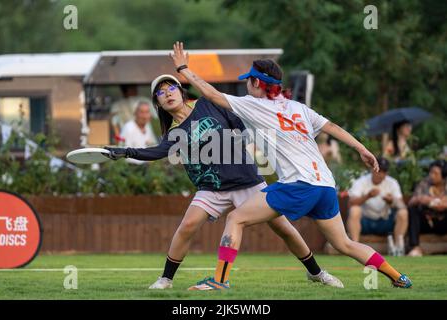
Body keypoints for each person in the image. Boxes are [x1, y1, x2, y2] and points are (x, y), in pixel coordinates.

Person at [168, 42, 412, 290]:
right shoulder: (298, 108)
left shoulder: (254, 105)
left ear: (258, 83)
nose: (246, 83)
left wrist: (183, 69)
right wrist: (362, 149)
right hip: (325, 186)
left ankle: (219, 281)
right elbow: (334, 129)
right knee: (345, 244)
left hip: (298, 184)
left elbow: (211, 94)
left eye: (249, 80)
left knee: (236, 218)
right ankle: (397, 276)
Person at [104, 74, 344, 289]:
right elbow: (156, 152)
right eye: (161, 93)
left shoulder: (207, 103)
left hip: (247, 181)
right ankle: (166, 279)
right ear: (158, 103)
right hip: (212, 190)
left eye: (171, 88)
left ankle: (317, 273)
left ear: (181, 91)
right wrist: (124, 152)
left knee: (284, 229)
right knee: (186, 226)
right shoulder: (174, 132)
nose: (167, 94)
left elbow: (239, 122)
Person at [347, 157, 408, 256]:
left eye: (384, 171)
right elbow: (351, 203)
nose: (380, 174)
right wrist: (367, 196)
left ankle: (398, 249)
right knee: (354, 210)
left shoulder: (392, 182)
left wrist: (392, 200)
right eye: (379, 170)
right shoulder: (361, 181)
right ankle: (355, 249)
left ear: (387, 173)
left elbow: (402, 205)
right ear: (372, 169)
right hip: (365, 222)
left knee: (403, 213)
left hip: (385, 222)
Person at [407, 160, 447, 257]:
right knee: (413, 209)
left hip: (443, 222)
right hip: (427, 222)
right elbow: (411, 202)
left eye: (435, 173)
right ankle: (415, 248)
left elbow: (442, 206)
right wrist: (420, 199)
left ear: (443, 175)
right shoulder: (424, 183)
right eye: (431, 172)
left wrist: (431, 201)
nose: (431, 175)